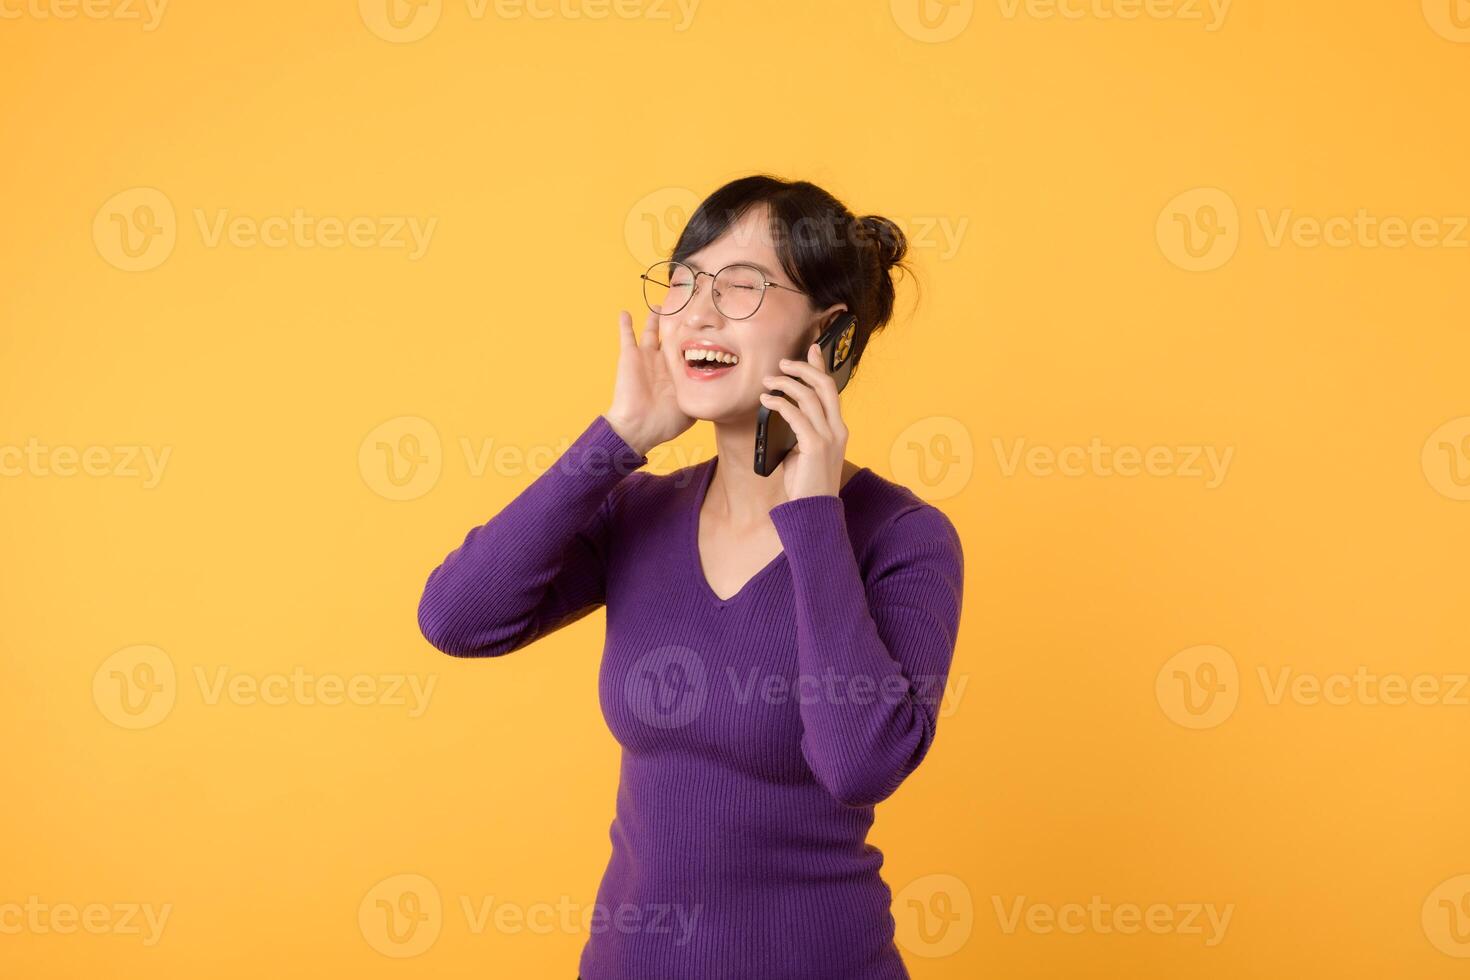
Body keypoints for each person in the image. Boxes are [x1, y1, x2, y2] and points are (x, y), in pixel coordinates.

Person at [417, 174, 965, 979]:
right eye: (682, 283)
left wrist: (812, 513)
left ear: (830, 335)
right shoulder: (638, 511)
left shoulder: (904, 538)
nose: (697, 313)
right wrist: (616, 439)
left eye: (742, 287)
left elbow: (858, 766)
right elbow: (457, 620)